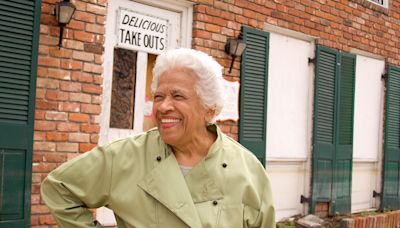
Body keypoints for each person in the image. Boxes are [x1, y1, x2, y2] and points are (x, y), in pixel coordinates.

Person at [41, 48, 275, 228]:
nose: (163, 106)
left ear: (210, 108)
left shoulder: (248, 170)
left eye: (178, 96)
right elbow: (59, 188)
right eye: (159, 96)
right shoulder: (123, 156)